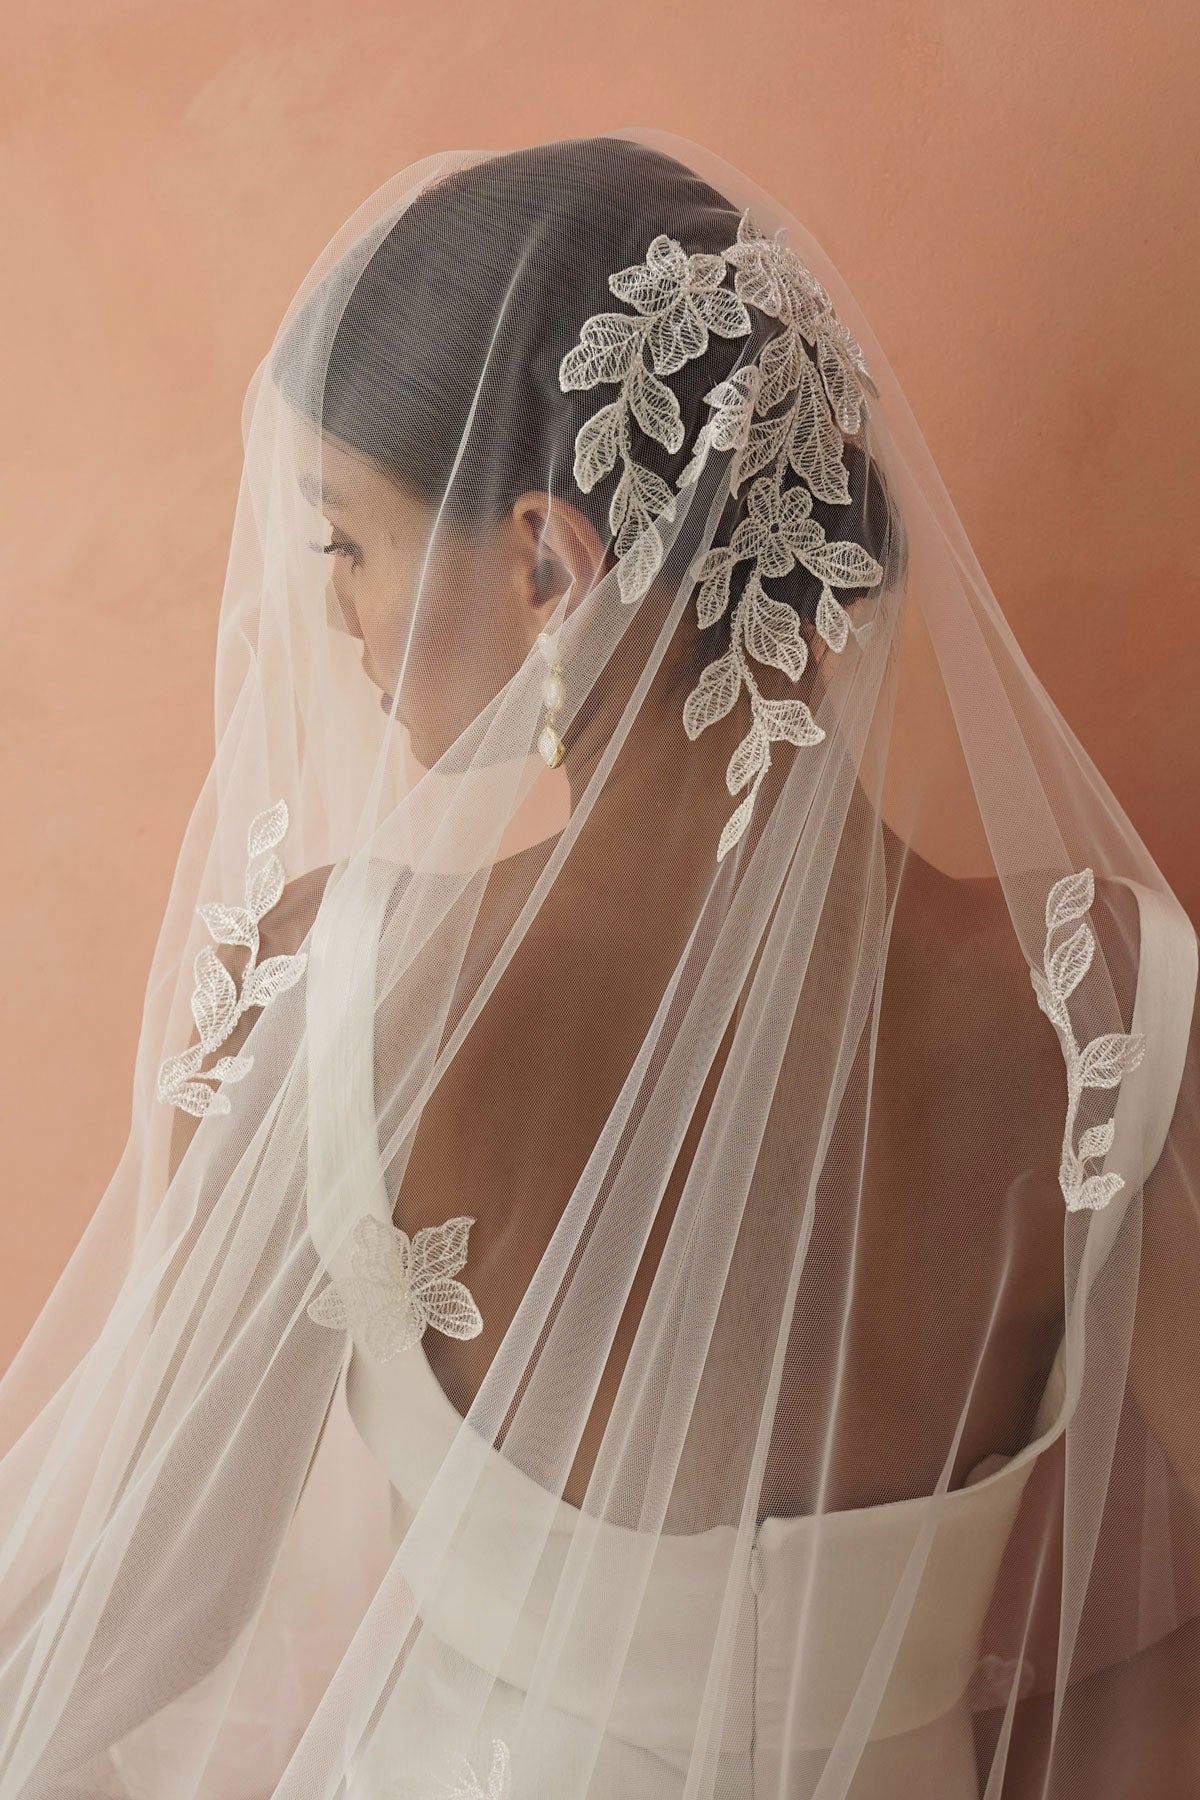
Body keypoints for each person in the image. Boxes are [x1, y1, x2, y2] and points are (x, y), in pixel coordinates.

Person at [1, 129, 1198, 1800]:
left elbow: (150, 1605)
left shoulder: (337, 1000)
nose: (332, 616)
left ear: (552, 562)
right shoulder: (1103, 1002)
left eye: (349, 540)